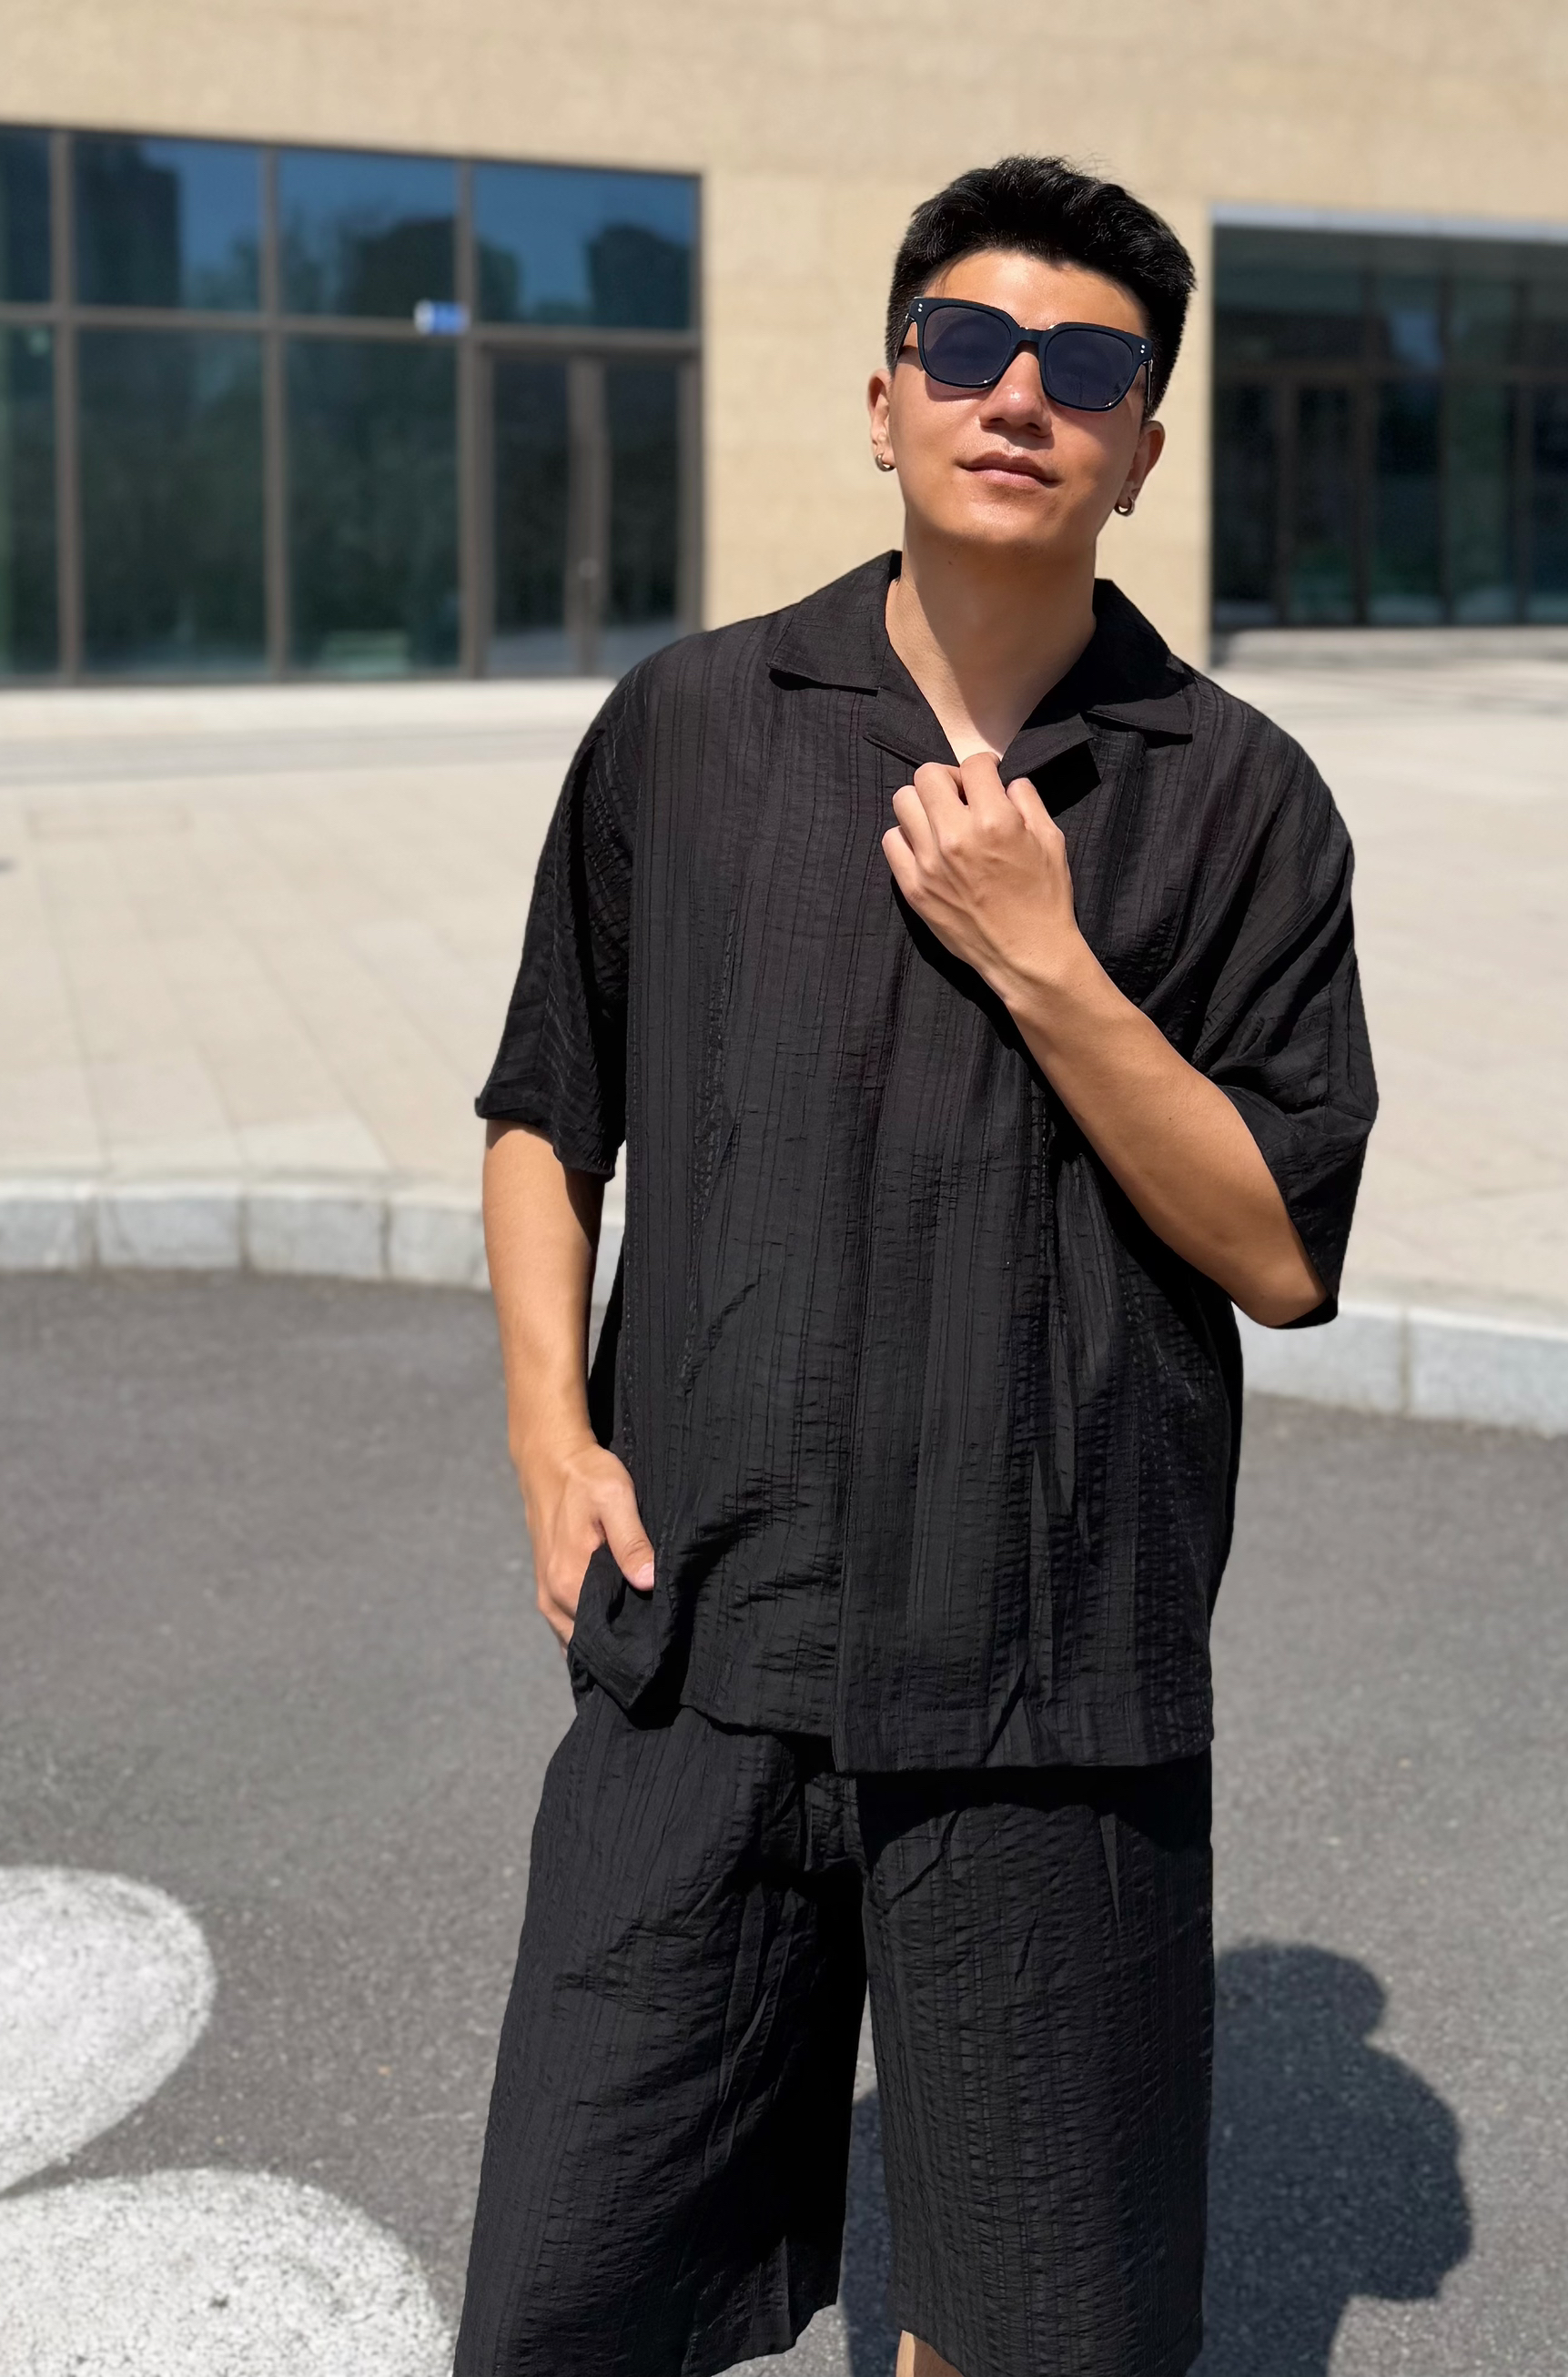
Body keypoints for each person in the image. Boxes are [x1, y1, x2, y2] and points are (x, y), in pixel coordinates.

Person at [454, 155, 1376, 2377]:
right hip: (705, 1640)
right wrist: (552, 1439)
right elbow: (545, 1106)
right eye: (962, 344)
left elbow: (1276, 1245)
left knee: (1025, 2327)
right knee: (565, 2291)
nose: (1014, 394)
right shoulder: (690, 725)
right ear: (881, 401)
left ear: (1140, 447)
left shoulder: (1236, 795)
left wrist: (1039, 954)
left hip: (1050, 1676)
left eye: (1084, 367)